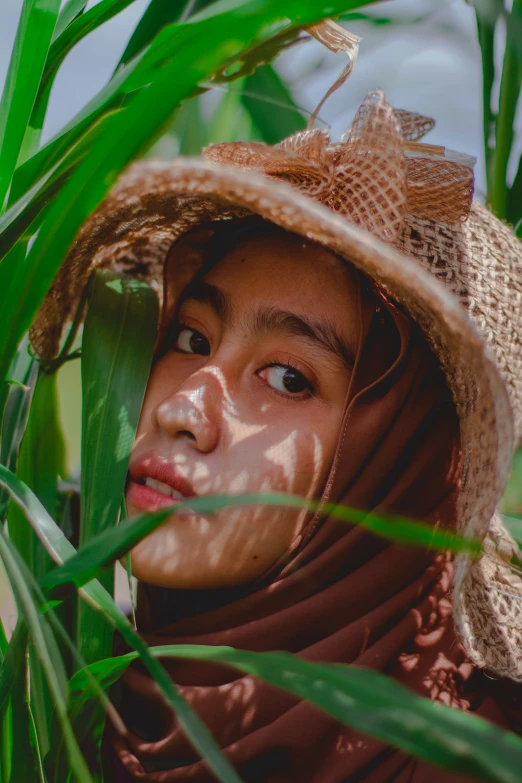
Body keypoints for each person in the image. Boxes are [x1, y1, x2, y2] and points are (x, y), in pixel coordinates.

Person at [32, 90, 522, 781]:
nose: (183, 410)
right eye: (190, 337)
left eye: (289, 378)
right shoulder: (60, 700)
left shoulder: (460, 760)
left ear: (397, 466)